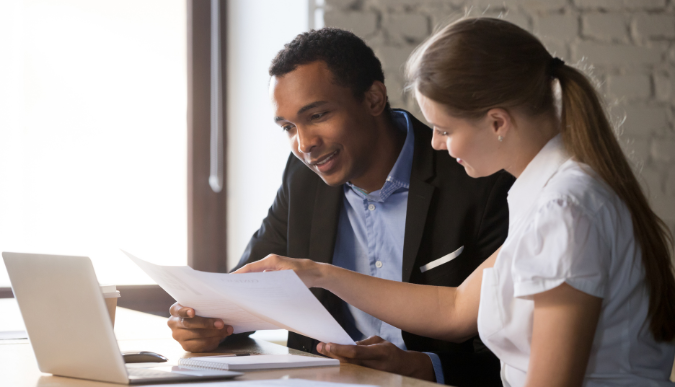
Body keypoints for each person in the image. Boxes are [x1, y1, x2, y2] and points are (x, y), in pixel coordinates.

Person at [236, 18, 675, 387]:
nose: (437, 145)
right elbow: (456, 308)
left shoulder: (564, 210)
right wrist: (317, 273)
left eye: (444, 129)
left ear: (497, 122)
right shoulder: (546, 194)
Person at [167, 28, 515, 386]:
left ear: (374, 99)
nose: (304, 145)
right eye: (288, 126)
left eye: (317, 116)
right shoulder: (303, 178)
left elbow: (516, 347)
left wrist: (424, 367)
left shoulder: (479, 180)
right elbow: (246, 290)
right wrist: (206, 323)